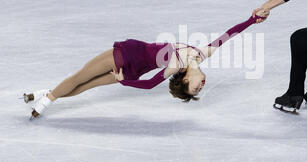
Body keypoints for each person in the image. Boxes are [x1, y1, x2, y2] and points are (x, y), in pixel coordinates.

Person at [25, 13, 264, 119]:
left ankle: (45, 100)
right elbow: (230, 34)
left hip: (125, 61)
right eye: (198, 90)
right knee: (83, 82)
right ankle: (45, 95)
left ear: (184, 80)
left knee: (82, 81)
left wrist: (123, 81)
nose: (201, 86)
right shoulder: (202, 55)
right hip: (128, 62)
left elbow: (150, 84)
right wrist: (252, 20)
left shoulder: (175, 66)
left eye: (195, 89)